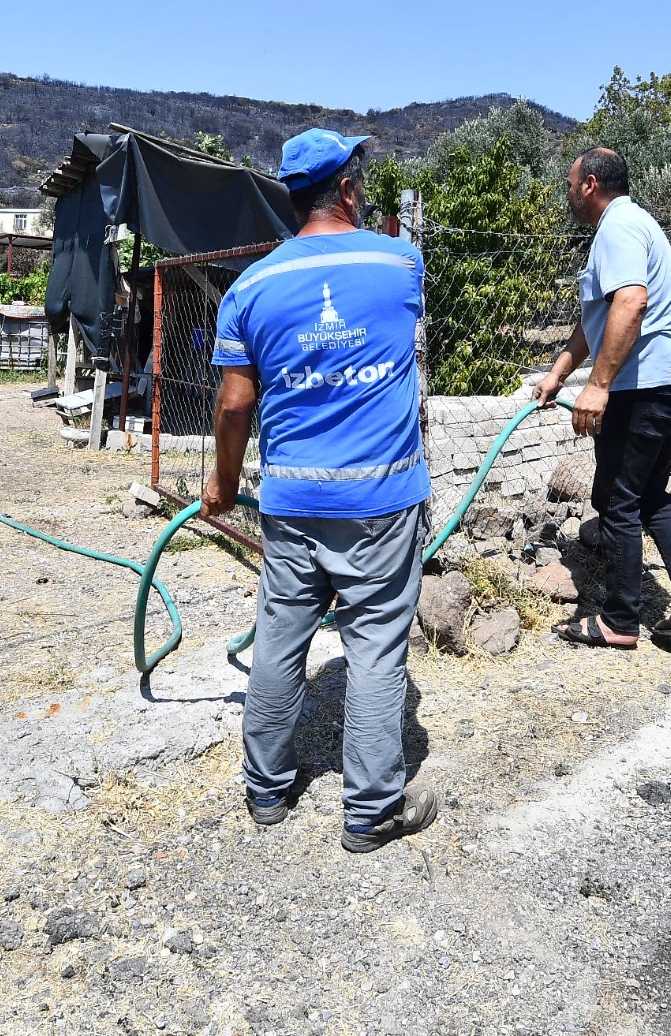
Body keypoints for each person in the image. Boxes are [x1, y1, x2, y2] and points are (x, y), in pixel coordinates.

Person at [202, 128, 438, 853]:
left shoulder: (250, 288)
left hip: (293, 500)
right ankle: (370, 812)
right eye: (360, 181)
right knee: (374, 649)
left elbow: (235, 403)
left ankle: (266, 790)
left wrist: (223, 478)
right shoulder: (400, 262)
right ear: (346, 189)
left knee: (279, 640)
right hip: (382, 498)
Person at [531, 147, 671, 649]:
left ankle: (618, 620)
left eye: (571, 185)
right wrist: (558, 373)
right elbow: (597, 320)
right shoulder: (633, 225)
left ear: (590, 184)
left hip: (646, 390)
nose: (568, 194)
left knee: (616, 500)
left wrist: (598, 385)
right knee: (648, 496)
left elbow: (631, 302)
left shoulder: (617, 227)